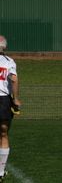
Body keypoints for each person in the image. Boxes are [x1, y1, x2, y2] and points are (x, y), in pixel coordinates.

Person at [0, 35, 21, 181]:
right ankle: (0, 172)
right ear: (5, 47)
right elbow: (13, 79)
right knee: (3, 133)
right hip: (3, 100)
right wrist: (15, 99)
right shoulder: (9, 62)